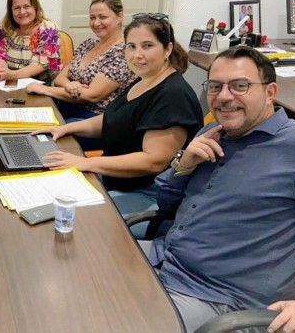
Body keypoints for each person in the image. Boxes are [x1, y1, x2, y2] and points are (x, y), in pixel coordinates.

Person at [150, 46, 295, 332]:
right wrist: (182, 165)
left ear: (270, 92)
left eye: (240, 86)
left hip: (218, 300)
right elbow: (164, 207)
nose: (224, 96)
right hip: (162, 260)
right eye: (215, 86)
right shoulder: (211, 133)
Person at [33, 13, 202, 227]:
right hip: (115, 180)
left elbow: (153, 161)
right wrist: (65, 128)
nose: (137, 55)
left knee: (62, 216)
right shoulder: (143, 80)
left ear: (167, 49)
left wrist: (86, 162)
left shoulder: (173, 95)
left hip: (148, 195)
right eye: (131, 46)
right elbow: (112, 118)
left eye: (147, 46)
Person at [25, 0, 136, 129]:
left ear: (120, 16)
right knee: (30, 110)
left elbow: (92, 95)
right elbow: (59, 78)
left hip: (97, 118)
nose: (96, 23)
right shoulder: (88, 45)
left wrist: (45, 89)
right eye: (92, 18)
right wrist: (72, 85)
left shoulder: (123, 53)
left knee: (46, 129)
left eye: (103, 17)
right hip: (70, 104)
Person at [0, 0, 61, 84]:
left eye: (26, 6)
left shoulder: (48, 28)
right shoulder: (4, 28)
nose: (22, 12)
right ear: (11, 11)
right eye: (17, 8)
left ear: (35, 7)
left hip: (45, 87)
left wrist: (11, 74)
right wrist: (0, 70)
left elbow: (41, 64)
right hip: (11, 84)